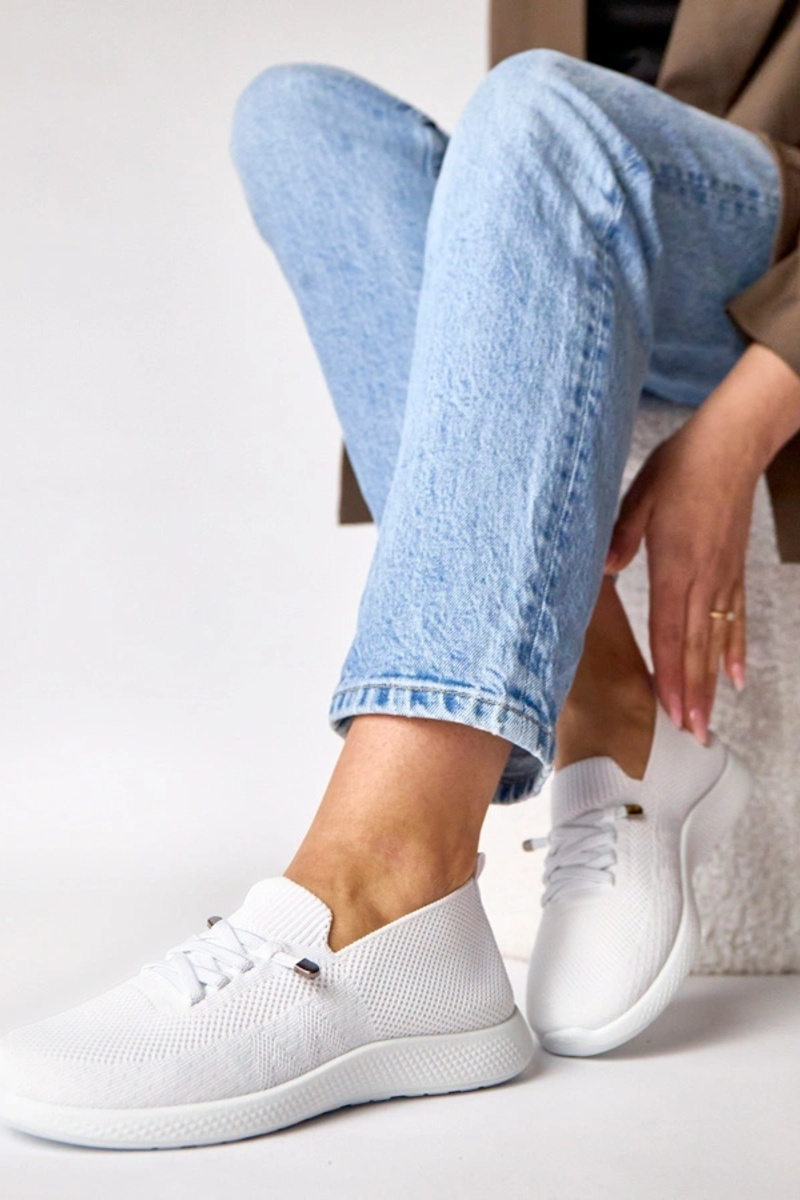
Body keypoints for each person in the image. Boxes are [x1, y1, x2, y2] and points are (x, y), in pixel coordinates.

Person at [1, 0, 799, 1150]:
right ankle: (603, 698)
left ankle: (383, 878)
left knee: (536, 111)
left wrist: (741, 423)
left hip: (757, 238)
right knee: (298, 123)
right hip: (575, 206)